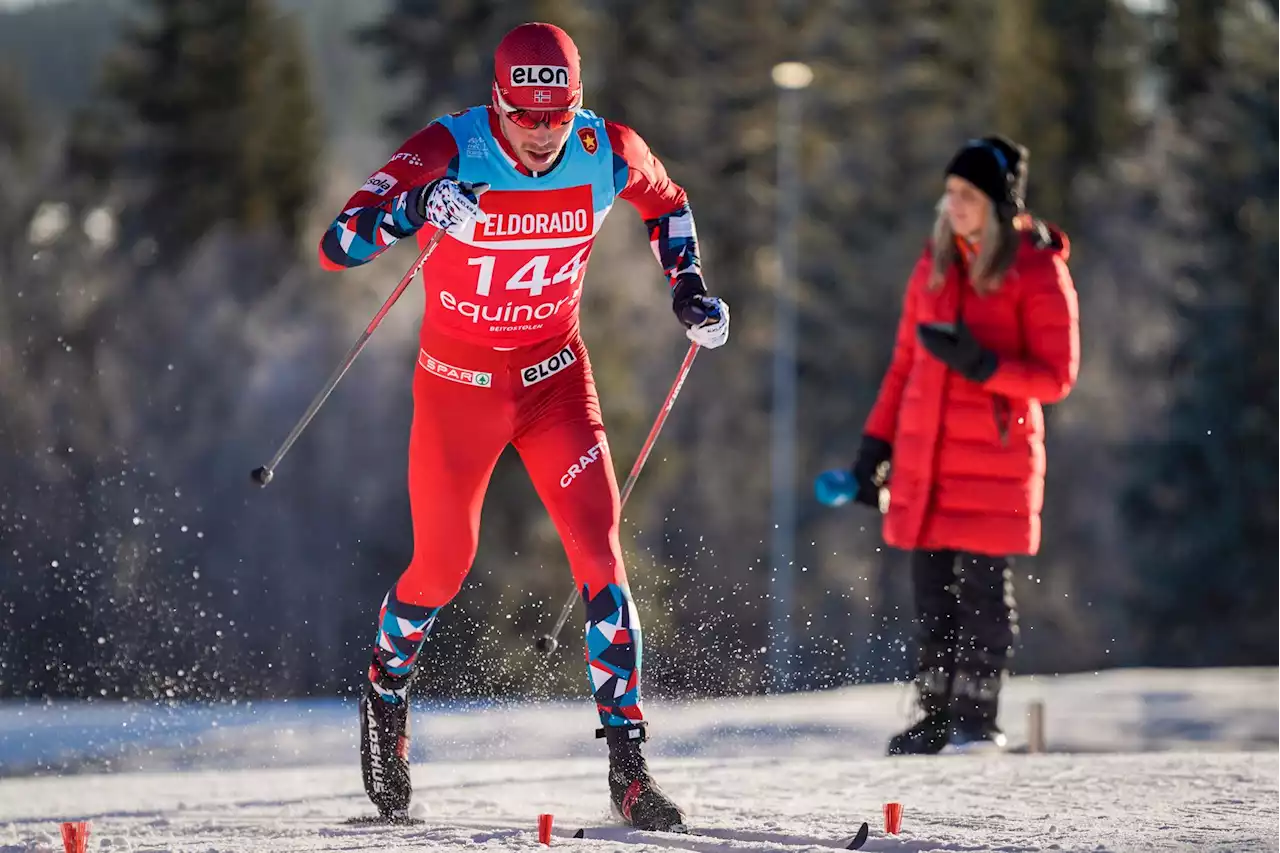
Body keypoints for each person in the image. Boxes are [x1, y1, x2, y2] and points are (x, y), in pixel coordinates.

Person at [318, 22, 729, 828]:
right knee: (441, 567)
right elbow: (338, 244)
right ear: (497, 101)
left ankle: (630, 770)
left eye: (556, 115)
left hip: (553, 383)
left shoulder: (605, 149)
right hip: (457, 388)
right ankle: (385, 692)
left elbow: (670, 203)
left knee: (601, 559)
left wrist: (689, 288)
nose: (541, 135)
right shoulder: (448, 147)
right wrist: (415, 207)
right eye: (523, 116)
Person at [815, 135, 1079, 755]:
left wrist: (984, 366)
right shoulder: (933, 264)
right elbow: (904, 365)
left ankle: (977, 719)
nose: (953, 204)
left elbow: (1057, 375)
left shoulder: (1036, 270)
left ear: (998, 201)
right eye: (950, 193)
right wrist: (872, 450)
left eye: (967, 194)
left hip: (994, 458)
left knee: (985, 593)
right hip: (924, 458)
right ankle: (933, 714)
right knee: (932, 594)